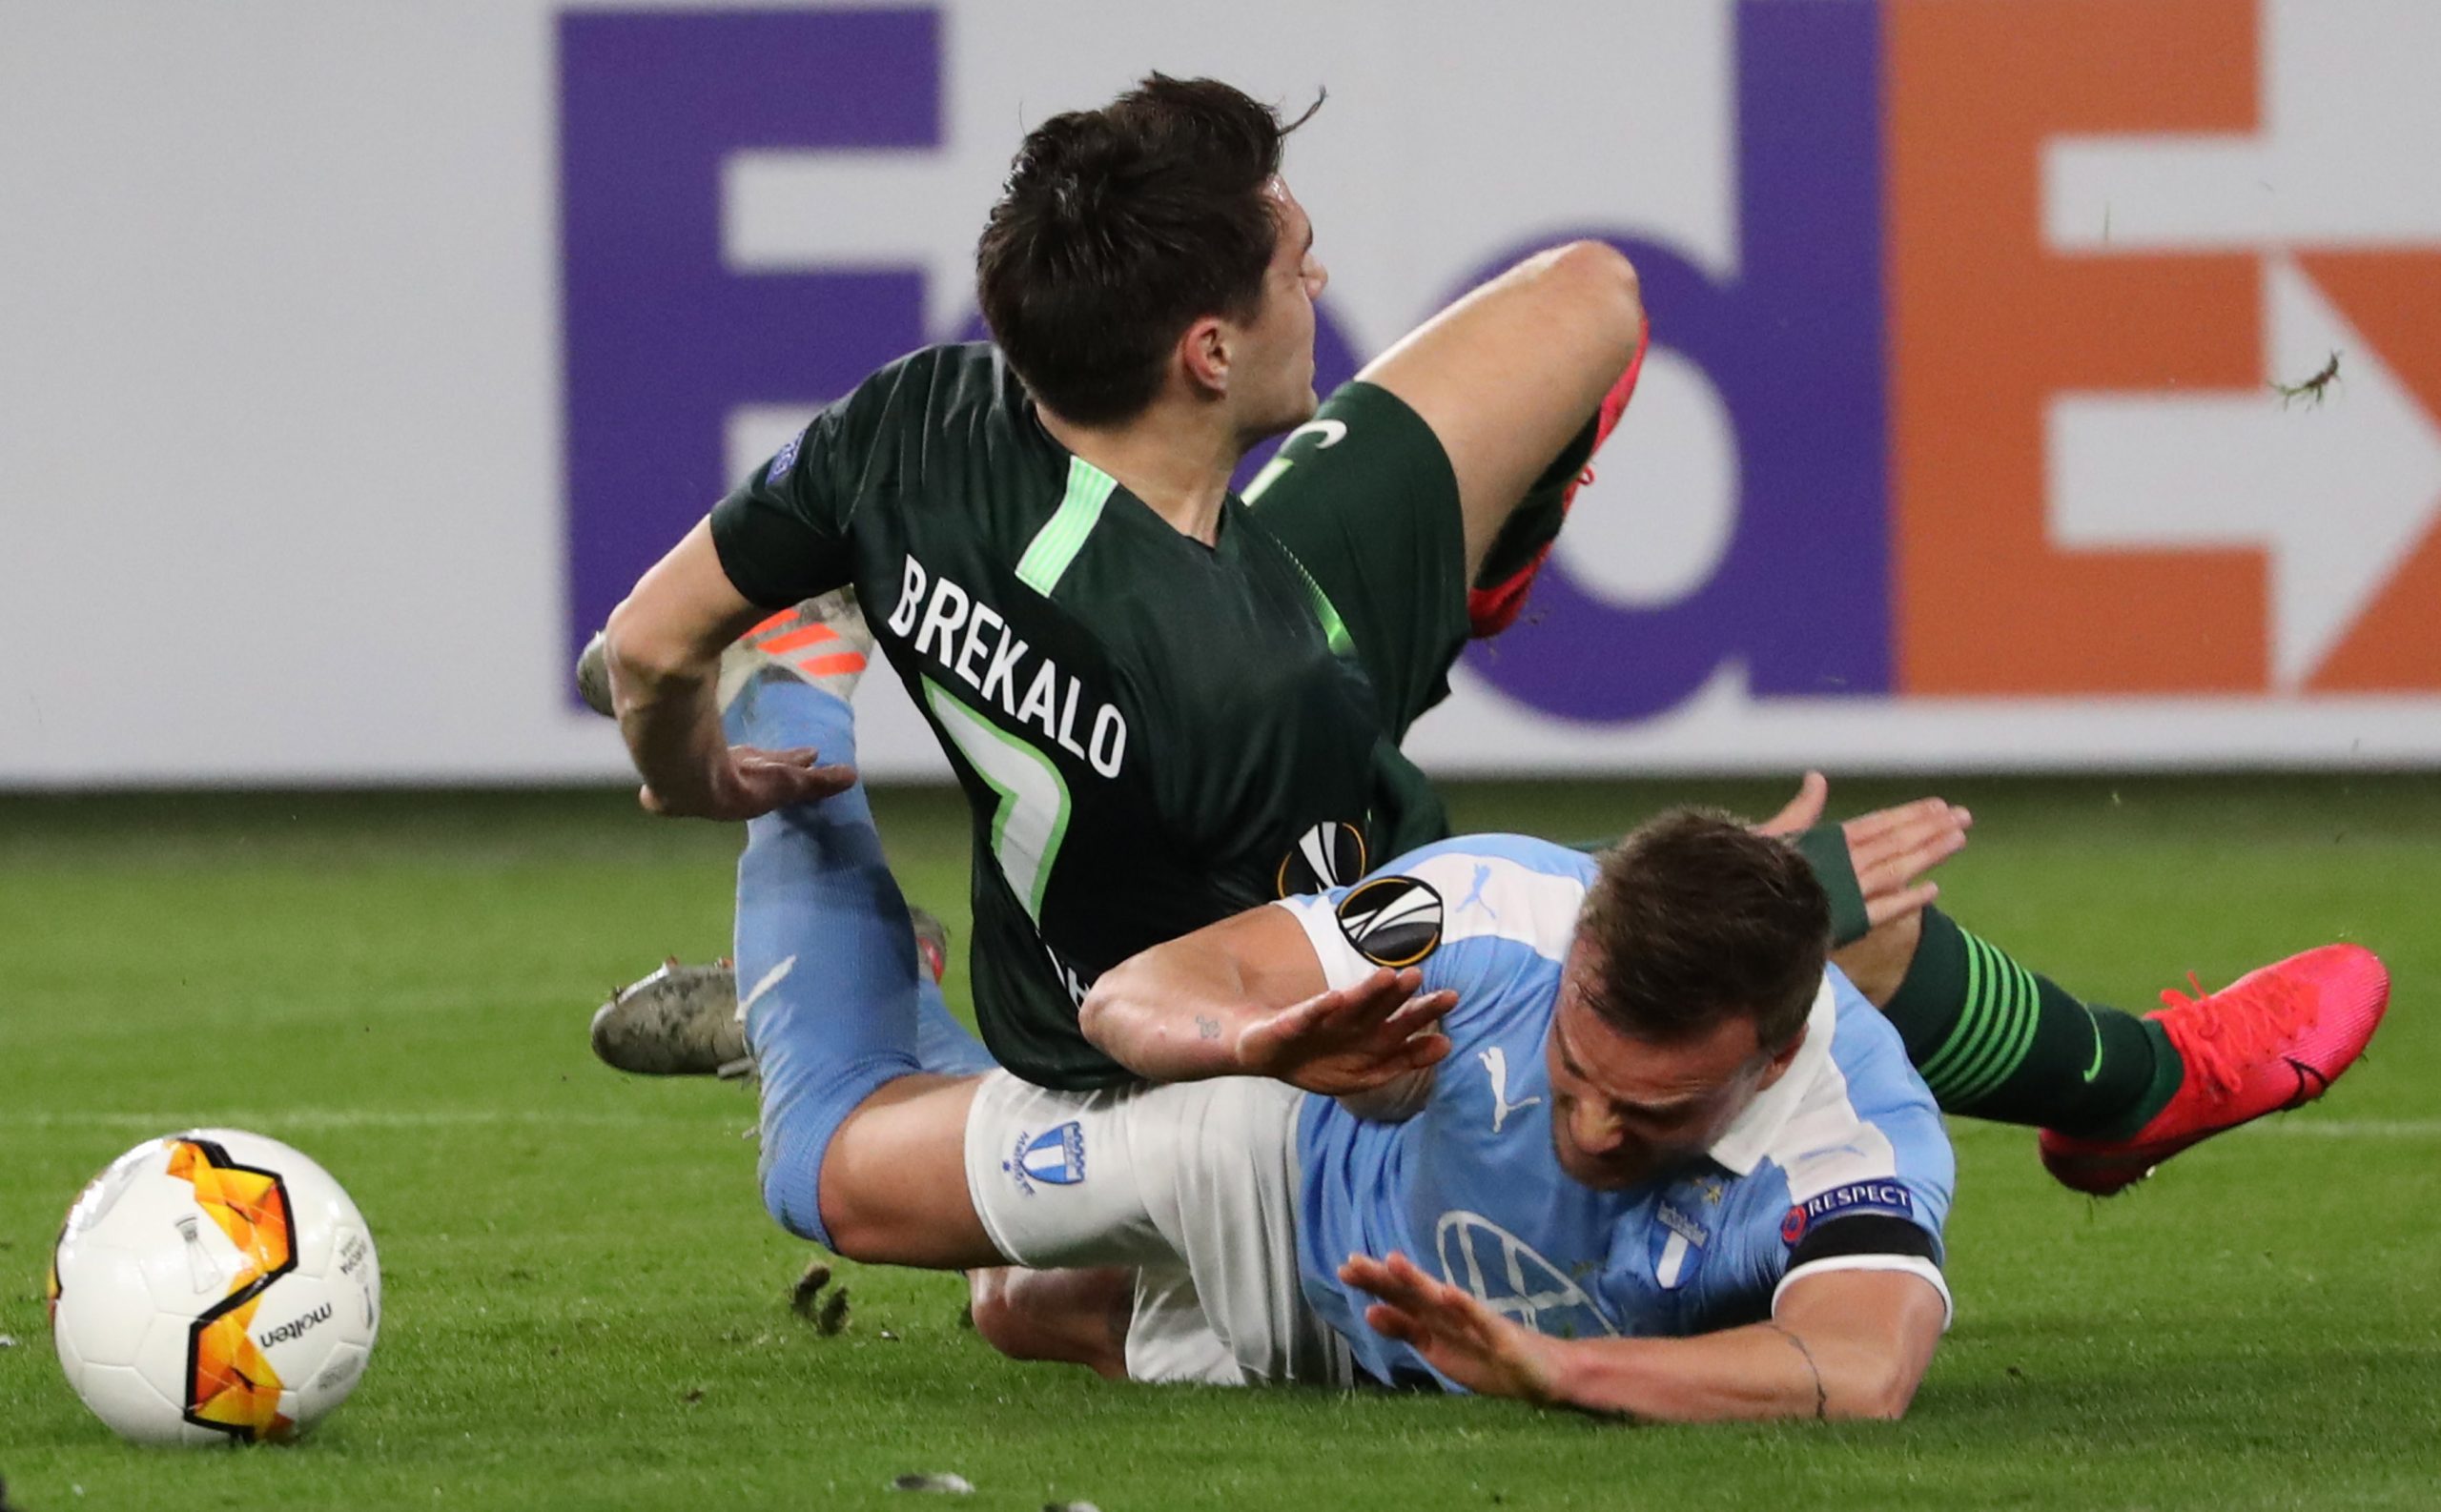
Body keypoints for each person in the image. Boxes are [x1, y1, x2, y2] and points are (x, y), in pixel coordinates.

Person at [588, 73, 2387, 1201]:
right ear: (1208, 353)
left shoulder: (917, 415)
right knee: (1810, 926)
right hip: (1158, 1004)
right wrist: (1769, 899)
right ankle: (2134, 1092)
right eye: (1290, 258)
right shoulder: (1266, 702)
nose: (1321, 265)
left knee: (1589, 306)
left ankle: (1476, 573)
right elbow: (1437, 992)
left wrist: (684, 775)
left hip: (1231, 580)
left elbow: (647, 652)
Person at [740, 800, 1965, 1418]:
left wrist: (1555, 1365)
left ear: (1775, 1053)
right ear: (1579, 945)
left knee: (1016, 1307)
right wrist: (1252, 1039)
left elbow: (1858, 1367)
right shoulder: (1485, 906)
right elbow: (1146, 988)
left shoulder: (1853, 1130)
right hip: (1265, 1146)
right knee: (833, 1175)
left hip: (1378, 1343)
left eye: (1653, 1112)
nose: (1592, 1130)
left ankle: (894, 981)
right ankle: (790, 730)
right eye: (1574, 1074)